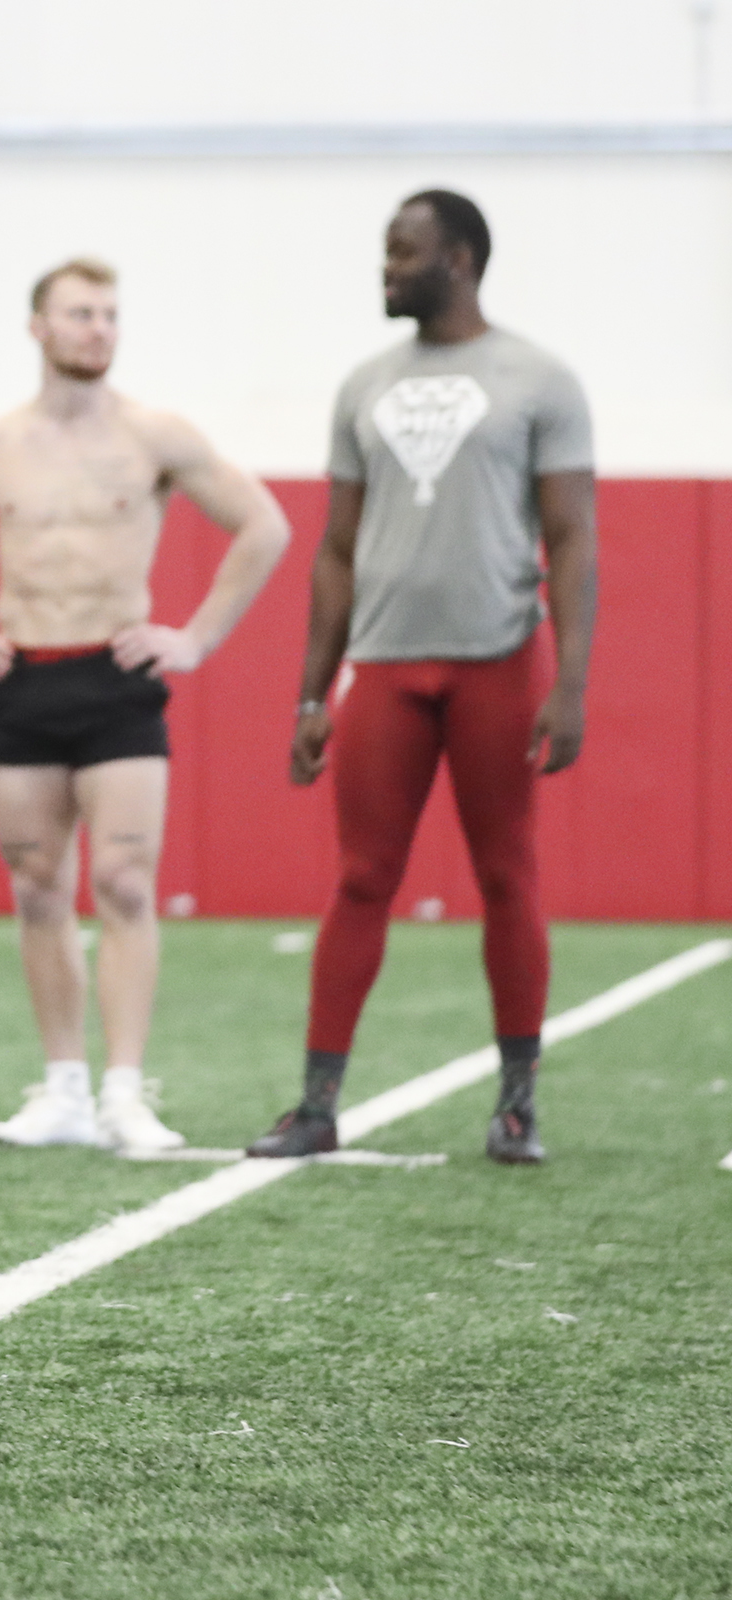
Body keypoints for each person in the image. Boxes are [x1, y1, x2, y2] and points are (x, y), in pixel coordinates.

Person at [247, 191, 595, 1165]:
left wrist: (569, 680)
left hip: (496, 660)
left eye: (403, 252)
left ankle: (516, 1103)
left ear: (462, 258)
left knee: (505, 873)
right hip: (387, 669)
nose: (386, 269)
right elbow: (337, 550)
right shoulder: (363, 384)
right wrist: (314, 694)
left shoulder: (540, 378)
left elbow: (570, 536)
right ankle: (317, 1104)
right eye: (385, 252)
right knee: (361, 877)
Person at [0, 258, 291, 1155]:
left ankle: (126, 1088)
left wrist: (193, 638)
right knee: (39, 888)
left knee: (123, 883)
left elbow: (263, 525)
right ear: (38, 327)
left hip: (116, 683)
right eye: (80, 313)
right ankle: (64, 1090)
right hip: (25, 683)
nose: (98, 329)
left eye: (110, 315)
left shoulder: (153, 434)